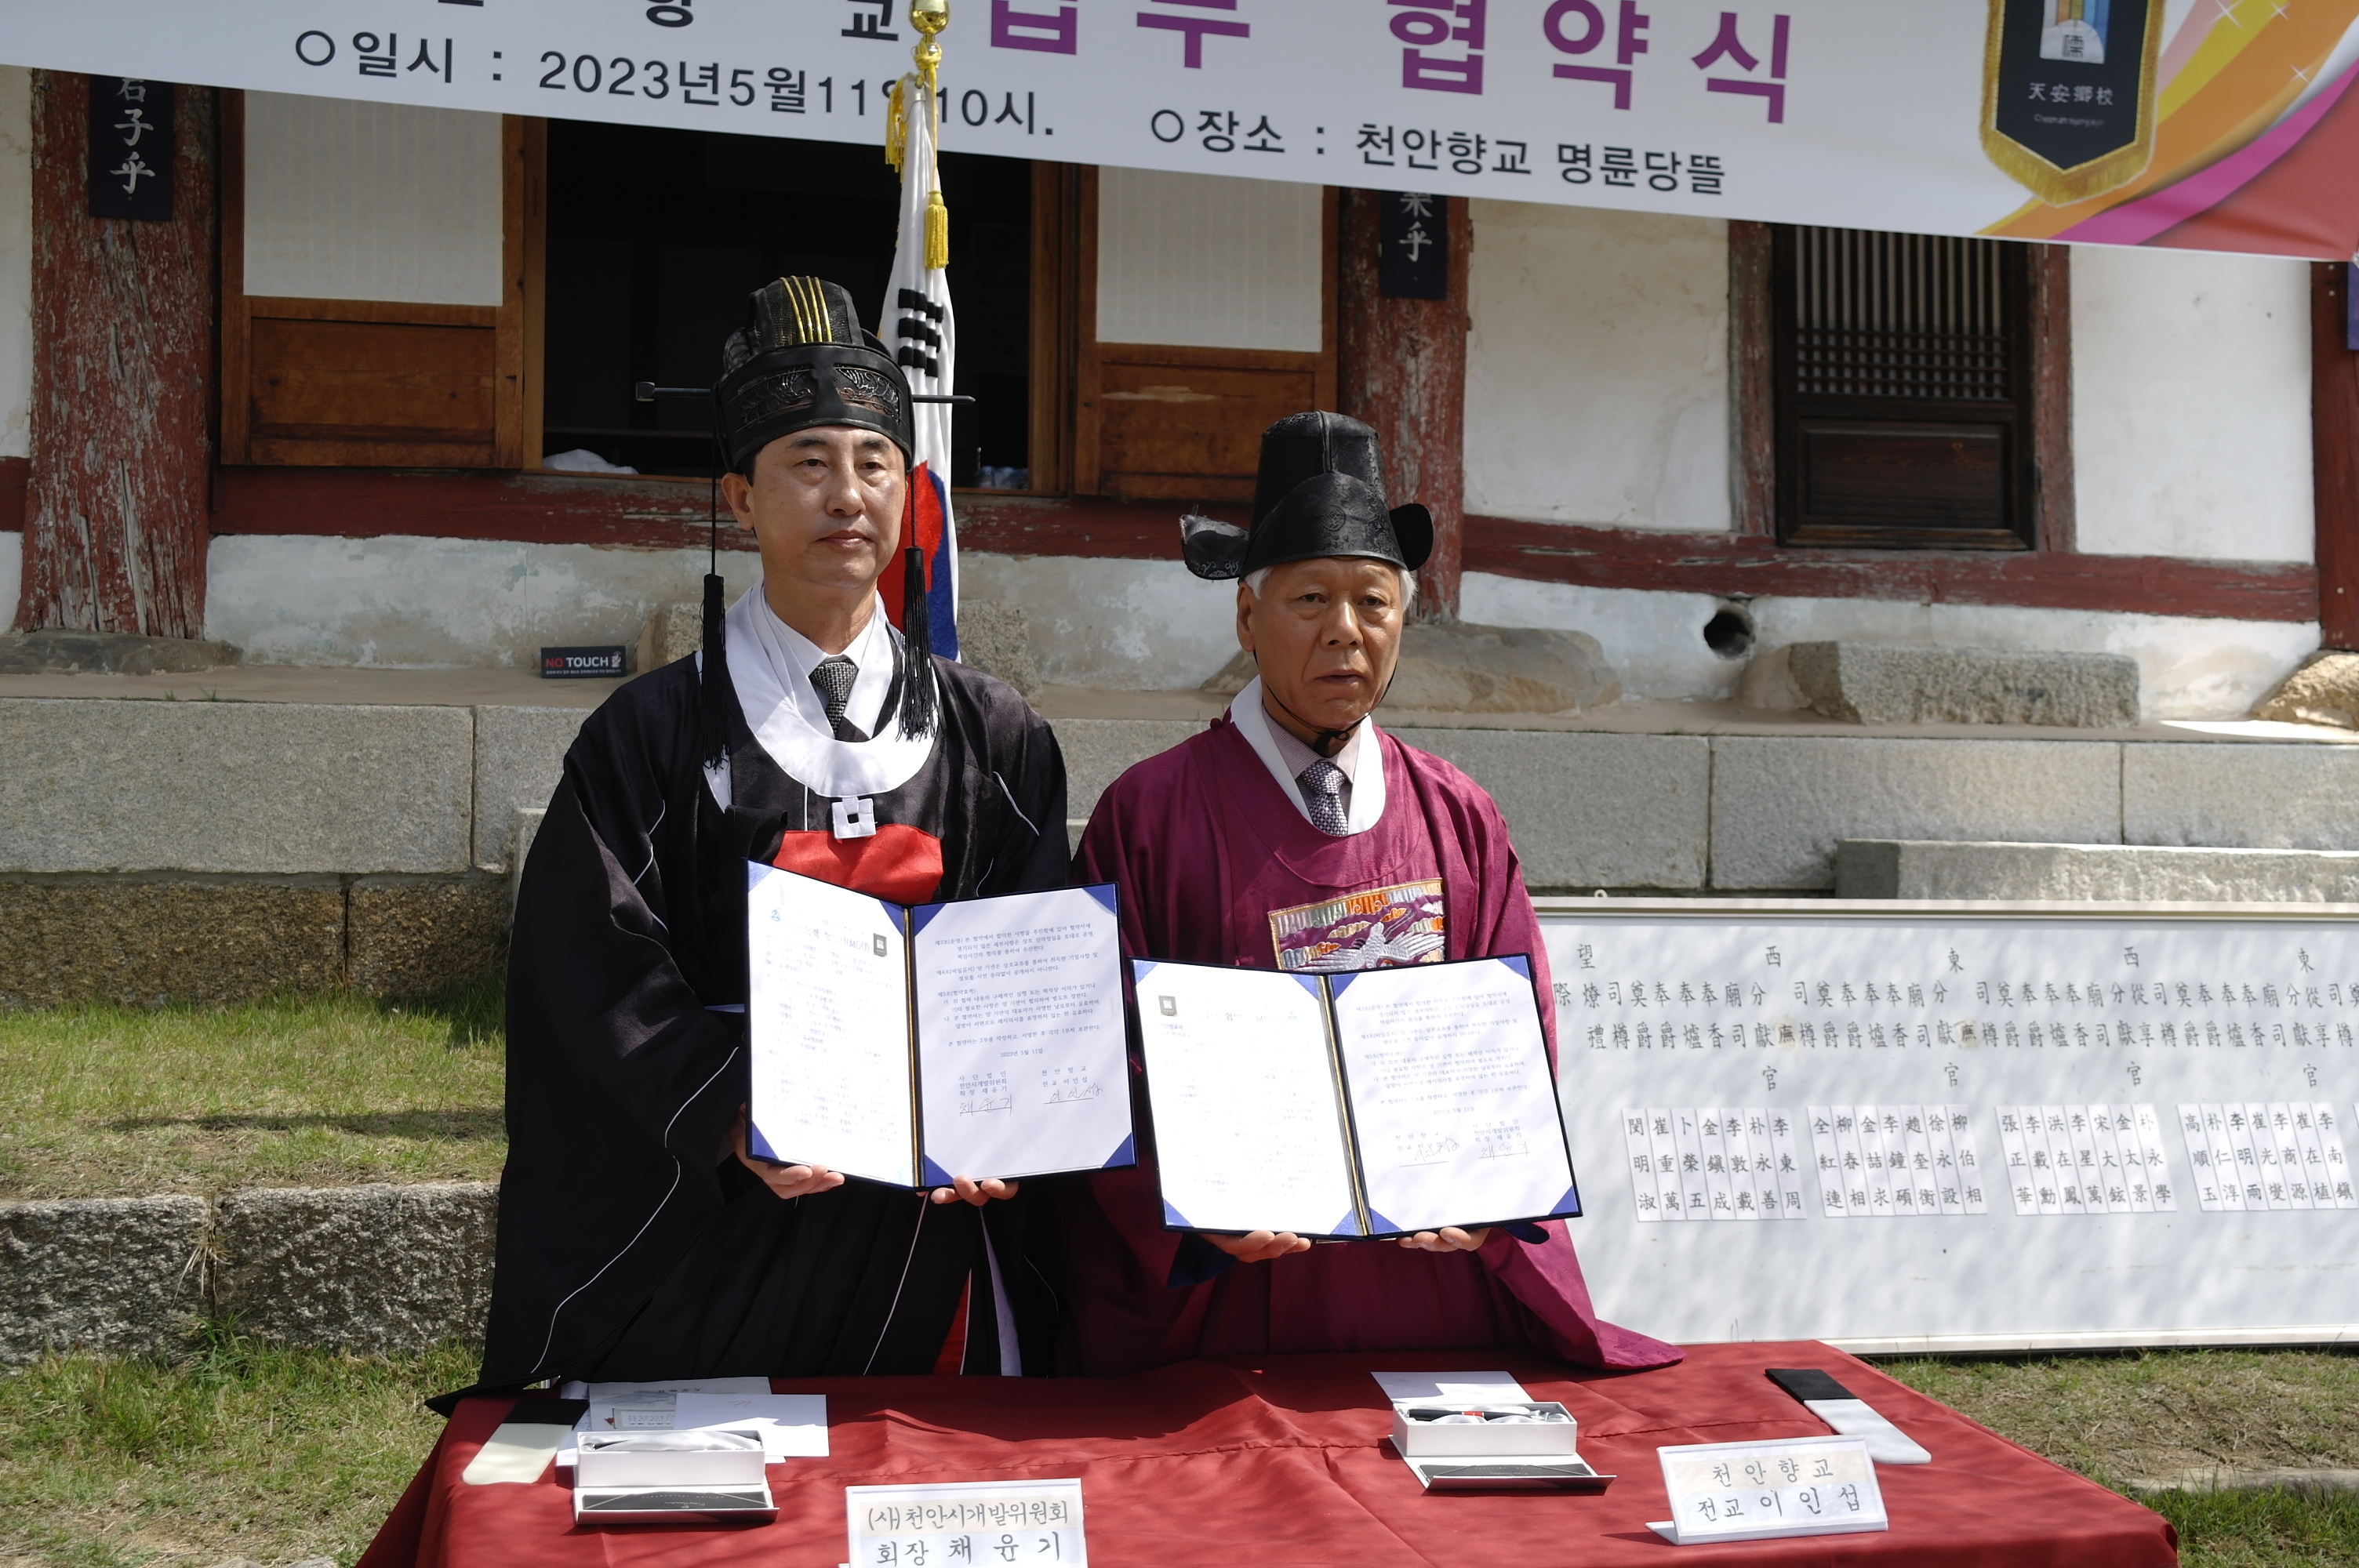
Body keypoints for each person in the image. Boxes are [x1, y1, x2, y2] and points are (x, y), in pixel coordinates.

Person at [471, 278, 1068, 1396]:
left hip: (927, 1215)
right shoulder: (648, 733)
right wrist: (732, 1109)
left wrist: (1005, 1112)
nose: (847, 495)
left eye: (874, 464)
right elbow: (592, 968)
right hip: (722, 1206)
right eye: (808, 463)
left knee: (911, 1463)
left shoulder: (996, 736)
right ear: (740, 499)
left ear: (909, 494)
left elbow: (1030, 946)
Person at [1060, 411, 1680, 1376]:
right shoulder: (1151, 814)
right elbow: (1097, 1051)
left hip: (1430, 1269)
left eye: (1373, 601)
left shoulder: (1456, 813)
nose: (1344, 631)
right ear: (1245, 617)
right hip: (1233, 1275)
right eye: (1310, 598)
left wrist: (1489, 1175)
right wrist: (1188, 1203)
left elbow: (1516, 1027)